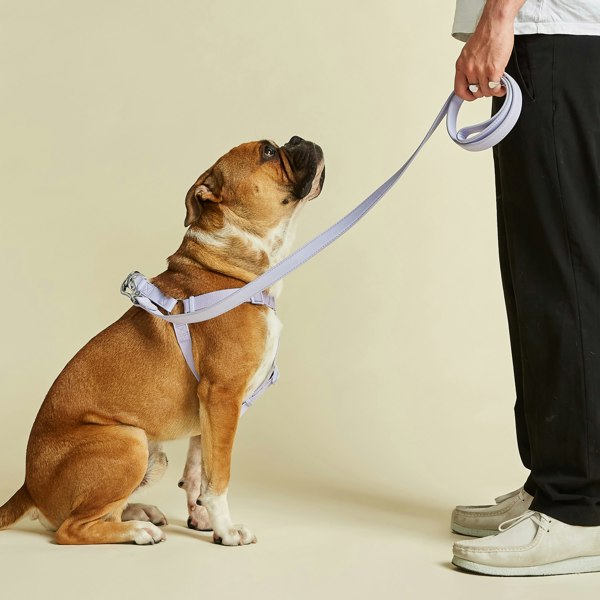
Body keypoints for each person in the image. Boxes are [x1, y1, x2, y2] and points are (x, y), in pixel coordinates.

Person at [449, 0, 600, 576]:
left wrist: (497, 17)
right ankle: (553, 484)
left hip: (553, 29)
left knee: (562, 271)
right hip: (558, 34)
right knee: (544, 265)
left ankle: (581, 507)